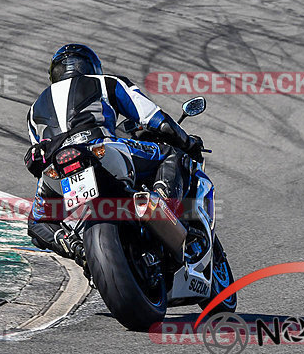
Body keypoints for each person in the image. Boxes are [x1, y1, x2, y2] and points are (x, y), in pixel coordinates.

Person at [23, 43, 203, 260]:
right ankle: (163, 205)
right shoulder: (107, 82)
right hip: (101, 150)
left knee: (37, 222)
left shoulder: (33, 110)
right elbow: (156, 120)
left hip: (57, 170)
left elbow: (38, 156)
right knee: (172, 154)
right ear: (91, 66)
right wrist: (186, 142)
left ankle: (73, 246)